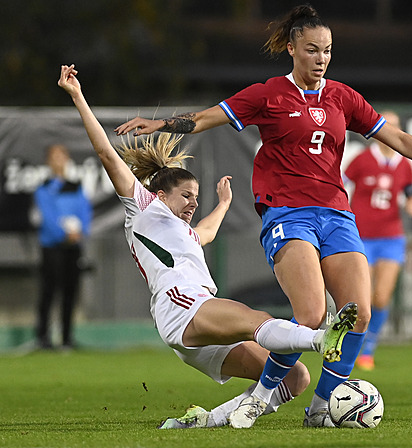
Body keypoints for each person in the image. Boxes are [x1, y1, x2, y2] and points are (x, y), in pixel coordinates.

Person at [115, 4, 412, 428]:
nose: (321, 59)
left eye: (327, 50)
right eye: (312, 50)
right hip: (289, 214)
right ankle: (260, 398)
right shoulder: (268, 94)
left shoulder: (343, 97)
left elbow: (394, 136)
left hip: (336, 215)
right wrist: (158, 124)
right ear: (292, 49)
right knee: (310, 316)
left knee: (357, 313)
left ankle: (321, 408)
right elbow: (203, 118)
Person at [57, 63, 357, 430]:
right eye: (186, 195)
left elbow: (206, 232)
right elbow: (106, 154)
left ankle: (203, 421)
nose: (192, 203)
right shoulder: (142, 208)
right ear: (159, 194)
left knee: (295, 379)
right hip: (183, 306)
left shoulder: (183, 233)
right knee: (258, 321)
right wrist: (78, 96)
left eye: (195, 197)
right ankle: (321, 338)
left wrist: (224, 205)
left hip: (200, 323)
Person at [343, 110, 412, 371]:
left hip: (391, 237)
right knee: (360, 298)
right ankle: (349, 346)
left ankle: (369, 350)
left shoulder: (405, 164)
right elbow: (340, 184)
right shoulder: (362, 161)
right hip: (362, 236)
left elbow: (410, 192)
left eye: (396, 126)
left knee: (382, 297)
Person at [34, 143, 92, 350]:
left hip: (73, 247)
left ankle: (67, 338)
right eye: (54, 156)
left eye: (61, 155)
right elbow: (48, 217)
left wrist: (79, 233)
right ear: (48, 161)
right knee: (49, 291)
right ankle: (43, 338)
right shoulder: (44, 188)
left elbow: (85, 211)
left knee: (70, 291)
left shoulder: (76, 186)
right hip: (52, 246)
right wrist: (63, 234)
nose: (58, 160)